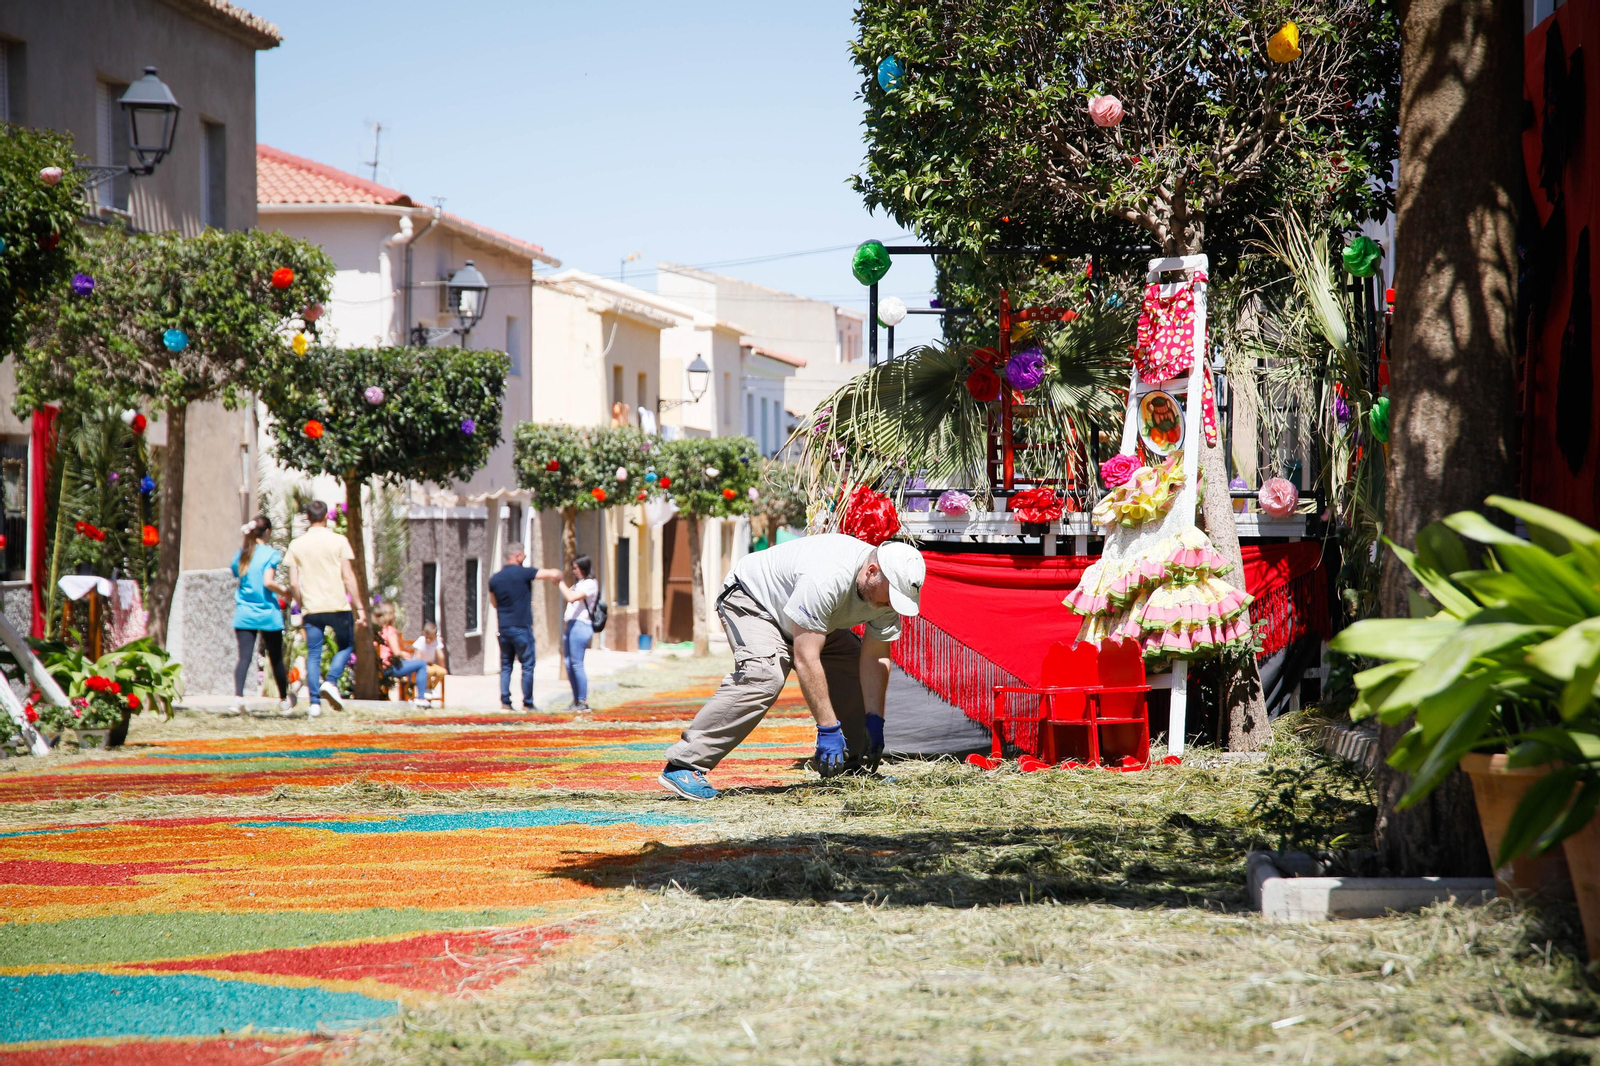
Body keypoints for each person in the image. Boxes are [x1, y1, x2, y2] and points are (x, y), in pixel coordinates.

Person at [658, 534, 925, 802]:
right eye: (890, 596)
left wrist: (875, 719)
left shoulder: (888, 594)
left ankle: (848, 765)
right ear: (871, 571)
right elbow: (806, 657)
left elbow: (875, 657)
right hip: (754, 602)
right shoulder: (826, 577)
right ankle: (685, 764)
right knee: (763, 676)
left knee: (851, 666)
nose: (891, 605)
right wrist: (828, 728)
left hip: (810, 619)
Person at [284, 499, 365, 717]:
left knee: (313, 655)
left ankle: (314, 704)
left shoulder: (296, 544)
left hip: (312, 608)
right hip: (338, 605)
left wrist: (301, 604)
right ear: (327, 517)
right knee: (347, 646)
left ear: (307, 517)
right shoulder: (339, 541)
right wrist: (359, 607)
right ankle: (330, 681)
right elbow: (348, 576)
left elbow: (293, 583)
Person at [486, 542, 560, 712]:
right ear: (517, 556)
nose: (525, 557)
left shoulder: (494, 579)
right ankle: (527, 703)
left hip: (504, 627)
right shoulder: (524, 573)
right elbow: (550, 573)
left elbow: (494, 604)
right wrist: (558, 576)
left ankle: (505, 702)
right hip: (521, 627)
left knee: (506, 666)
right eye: (524, 555)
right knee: (527, 665)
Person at [230, 514, 290, 715]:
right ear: (268, 532)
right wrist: (285, 591)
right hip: (267, 613)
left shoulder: (242, 554)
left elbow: (237, 573)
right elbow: (268, 582)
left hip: (245, 613)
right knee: (276, 658)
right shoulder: (270, 554)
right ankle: (283, 700)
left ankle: (238, 698)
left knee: (244, 658)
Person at [554, 555, 599, 712]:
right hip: (571, 625)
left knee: (576, 663)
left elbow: (571, 598)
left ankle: (582, 701)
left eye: (576, 568)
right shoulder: (579, 584)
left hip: (581, 626)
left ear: (584, 568)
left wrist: (560, 582)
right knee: (568, 663)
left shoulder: (590, 584)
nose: (574, 571)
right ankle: (575, 700)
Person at [372, 602, 430, 708]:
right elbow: (397, 652)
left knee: (408, 665)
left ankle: (405, 697)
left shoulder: (376, 630)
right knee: (421, 664)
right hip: (389, 667)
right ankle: (420, 698)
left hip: (378, 667)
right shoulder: (390, 630)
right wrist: (405, 654)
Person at [412, 621, 449, 695]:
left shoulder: (437, 641)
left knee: (442, 672)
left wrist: (442, 667)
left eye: (431, 638)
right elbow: (419, 655)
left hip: (430, 663)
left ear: (436, 636)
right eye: (426, 637)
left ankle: (431, 687)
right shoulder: (421, 640)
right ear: (424, 634)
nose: (428, 640)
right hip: (420, 664)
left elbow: (441, 656)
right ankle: (426, 688)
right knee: (430, 671)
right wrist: (418, 668)